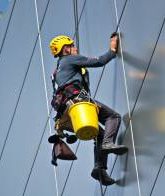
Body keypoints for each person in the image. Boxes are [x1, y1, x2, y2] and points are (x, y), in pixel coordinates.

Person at [49, 34, 128, 186]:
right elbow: (98, 61)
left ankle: (99, 169)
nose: (75, 48)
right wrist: (112, 50)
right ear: (65, 49)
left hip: (66, 116)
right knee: (114, 117)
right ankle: (108, 144)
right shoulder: (69, 59)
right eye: (72, 46)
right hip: (78, 104)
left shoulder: (57, 71)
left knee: (100, 134)